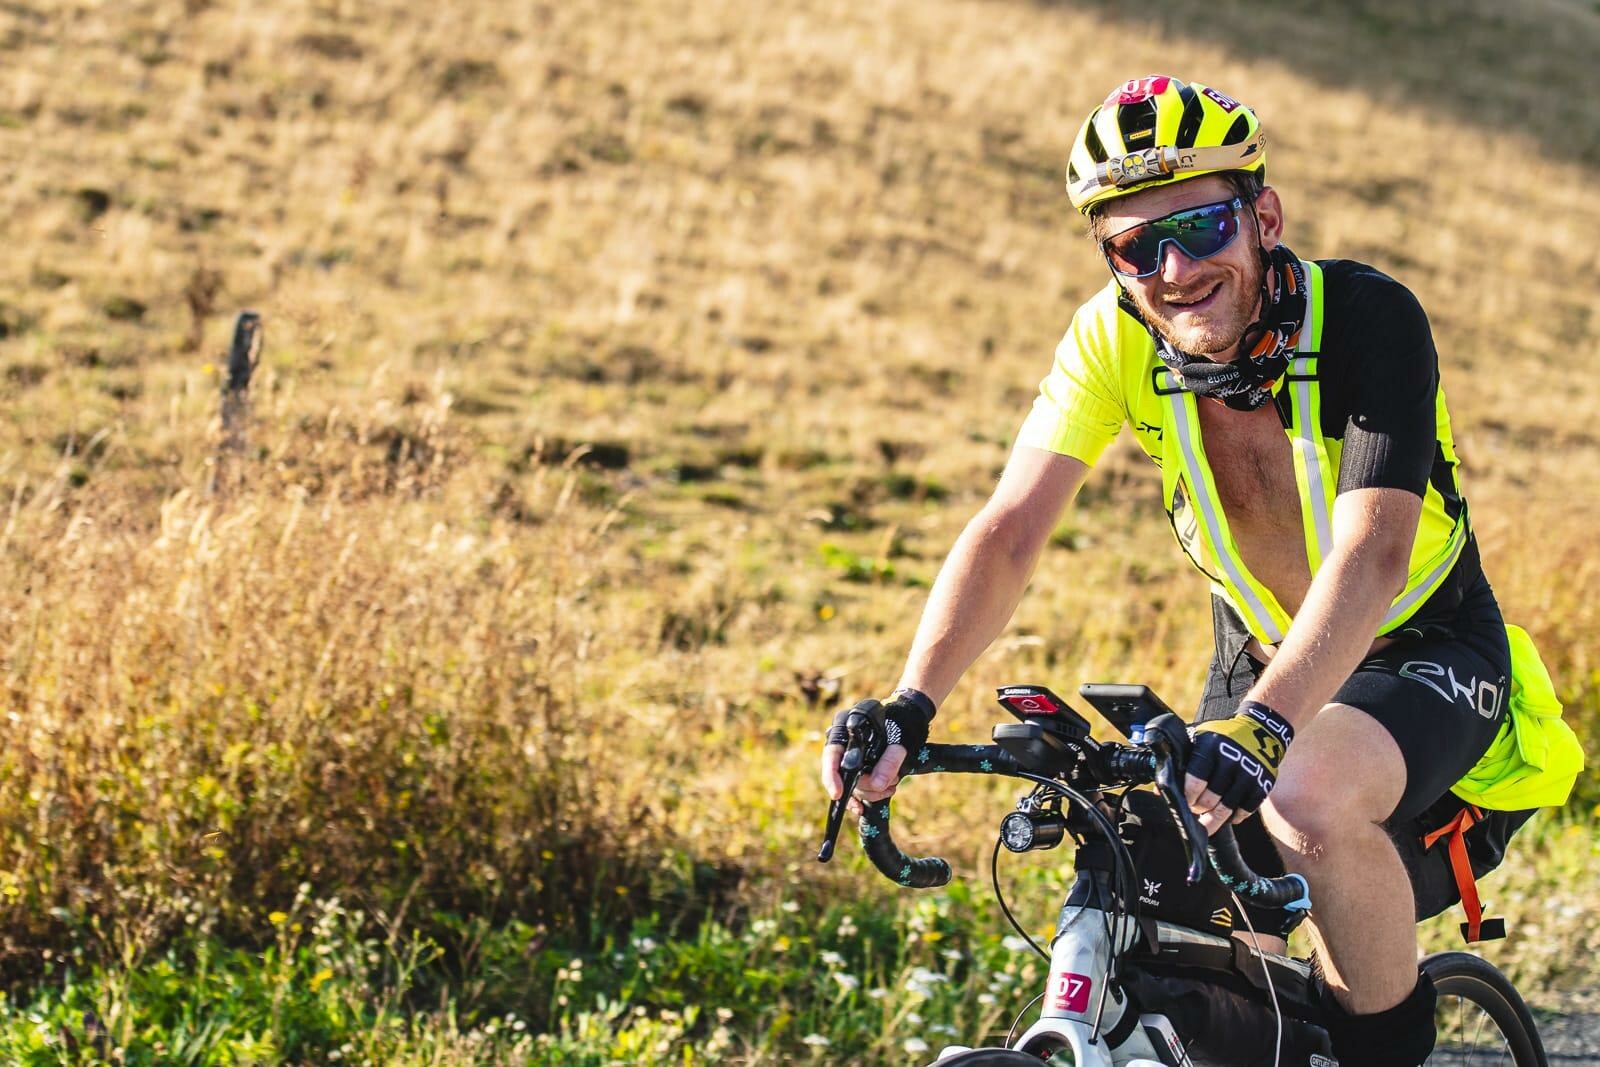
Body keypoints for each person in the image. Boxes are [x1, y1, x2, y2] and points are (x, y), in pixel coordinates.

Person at [819, 74, 1546, 1066]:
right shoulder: (1111, 340)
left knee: (1303, 800)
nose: (1174, 269)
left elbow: (1373, 550)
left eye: (1201, 227)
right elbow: (1010, 530)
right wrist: (910, 703)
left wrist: (1268, 727)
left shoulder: (1367, 319)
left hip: (1419, 641)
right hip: (1260, 652)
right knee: (1174, 896)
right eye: (1136, 247)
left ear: (1264, 218)